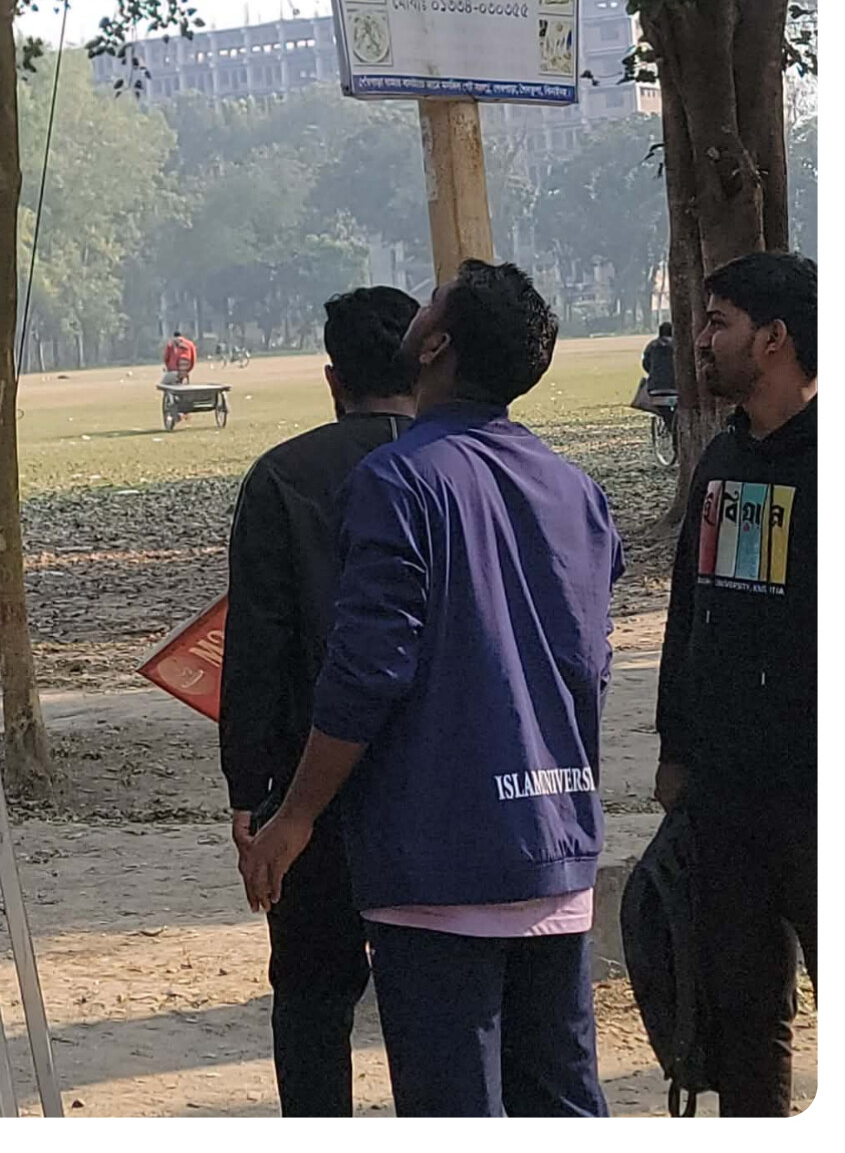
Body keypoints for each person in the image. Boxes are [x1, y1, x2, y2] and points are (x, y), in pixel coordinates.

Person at [237, 262, 620, 1117]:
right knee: (562, 1101)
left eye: (430, 302)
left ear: (435, 343)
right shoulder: (574, 487)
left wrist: (294, 813)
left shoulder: (399, 481)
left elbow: (367, 669)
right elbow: (588, 660)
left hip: (440, 856)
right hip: (555, 844)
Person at [216, 285, 418, 1116]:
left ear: (332, 379)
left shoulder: (285, 476)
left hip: (310, 780)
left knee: (309, 993)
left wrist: (249, 789)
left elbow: (255, 646)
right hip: (439, 775)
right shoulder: (457, 467)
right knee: (438, 1000)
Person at [655, 251, 816, 1115]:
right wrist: (674, 748)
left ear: (774, 339)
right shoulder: (720, 458)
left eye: (718, 323)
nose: (699, 340)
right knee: (743, 1015)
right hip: (724, 794)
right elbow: (688, 611)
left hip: (817, 795)